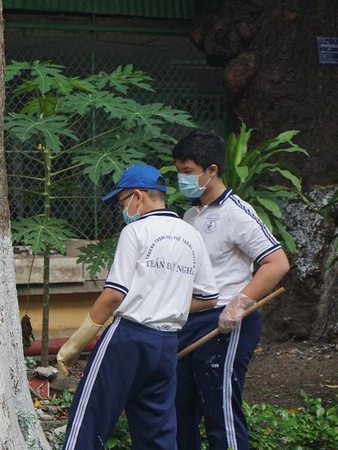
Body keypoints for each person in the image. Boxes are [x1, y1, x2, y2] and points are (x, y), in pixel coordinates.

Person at [57, 164, 219, 449]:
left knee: (89, 418)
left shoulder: (136, 232)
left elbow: (113, 295)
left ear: (138, 196)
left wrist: (75, 343)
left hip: (128, 338)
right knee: (156, 428)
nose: (124, 210)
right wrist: (169, 302)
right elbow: (209, 297)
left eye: (123, 202)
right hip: (167, 343)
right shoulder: (191, 235)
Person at [173, 129, 290, 450]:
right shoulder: (190, 214)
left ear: (212, 170)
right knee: (180, 406)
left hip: (226, 323)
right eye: (178, 172)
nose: (182, 179)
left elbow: (277, 263)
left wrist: (238, 305)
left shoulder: (237, 213)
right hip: (190, 321)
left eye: (188, 172)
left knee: (219, 407)